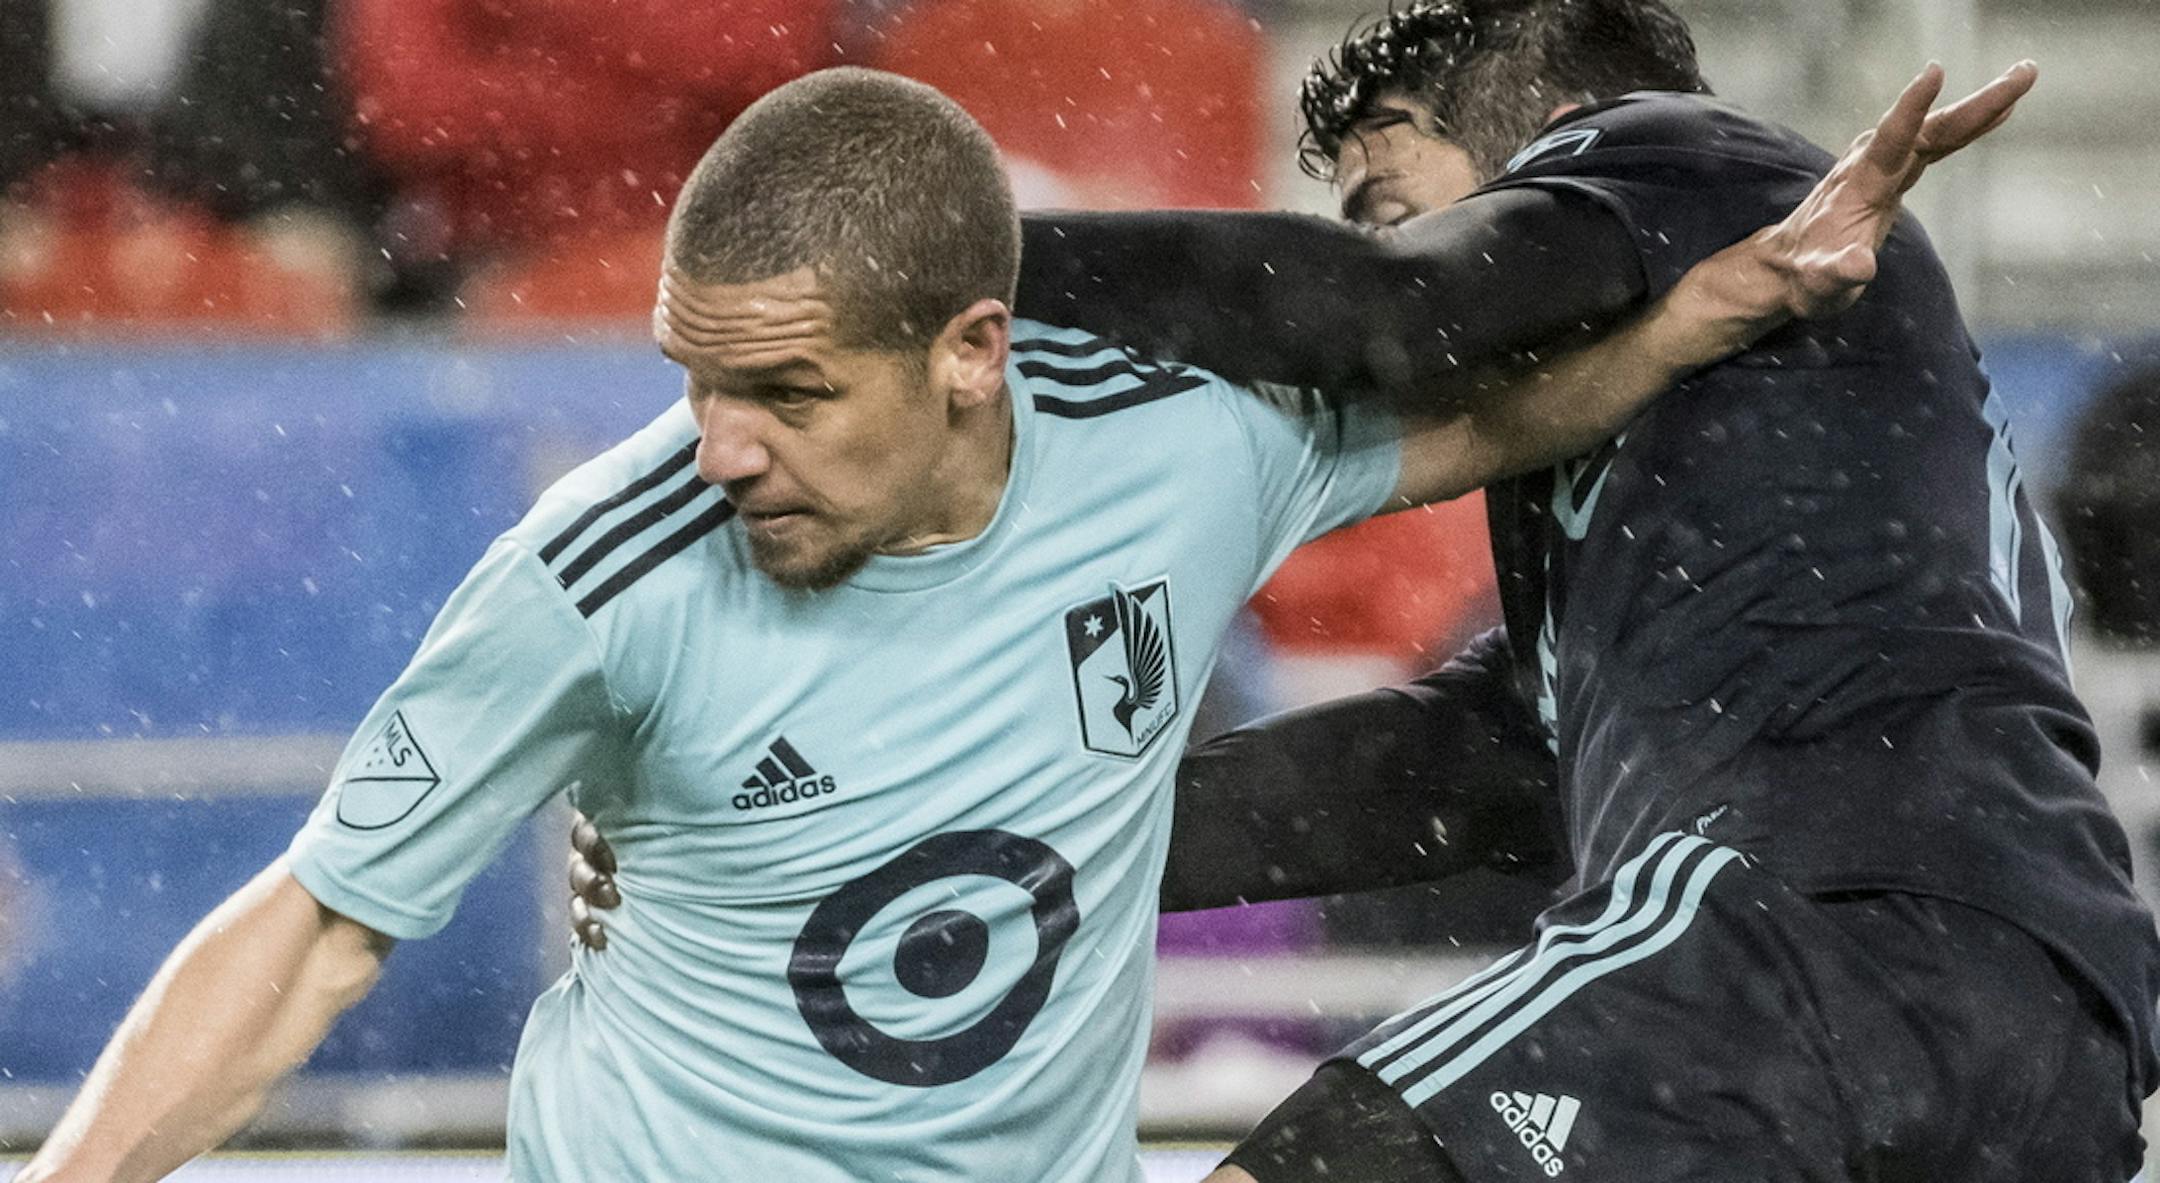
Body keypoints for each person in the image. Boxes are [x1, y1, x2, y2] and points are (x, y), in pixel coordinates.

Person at [26, 63, 1995, 1183]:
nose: (718, 450)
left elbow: (1479, 413)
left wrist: (1703, 314)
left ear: (977, 356)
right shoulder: (598, 571)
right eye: (692, 382)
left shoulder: (1177, 451)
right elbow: (310, 932)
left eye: (789, 396)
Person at [969, 3, 2154, 1180]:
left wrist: (961, 268)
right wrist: (1042, 843)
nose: (1380, 246)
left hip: (1809, 928)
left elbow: (1394, 310)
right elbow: (1462, 766)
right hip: (2050, 1006)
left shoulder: (1688, 156)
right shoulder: (1712, 474)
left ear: (1550, 127)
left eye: (1387, 204)